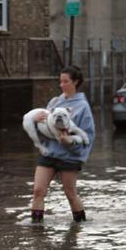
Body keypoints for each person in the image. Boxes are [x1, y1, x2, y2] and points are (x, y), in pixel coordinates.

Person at [30, 65, 95, 223]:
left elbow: (88, 136)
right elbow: (44, 128)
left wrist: (69, 142)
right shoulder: (54, 102)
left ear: (75, 82)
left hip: (70, 157)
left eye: (66, 81)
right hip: (49, 153)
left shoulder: (83, 107)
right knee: (38, 191)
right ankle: (36, 230)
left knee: (70, 193)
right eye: (61, 81)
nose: (62, 85)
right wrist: (36, 121)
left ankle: (79, 227)